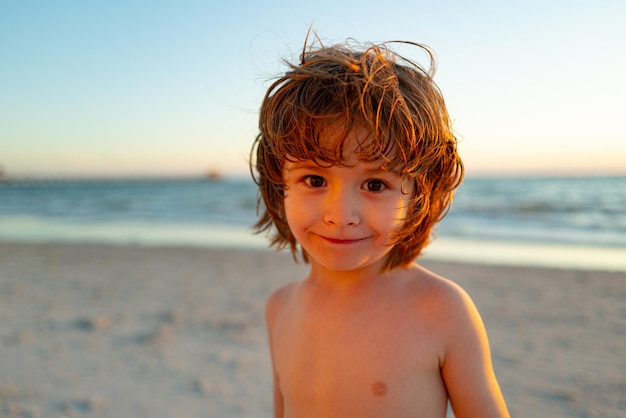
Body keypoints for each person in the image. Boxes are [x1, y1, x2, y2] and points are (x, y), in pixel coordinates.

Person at [250, 34, 509, 418]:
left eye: (375, 185)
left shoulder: (441, 310)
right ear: (279, 183)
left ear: (419, 197)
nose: (341, 214)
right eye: (314, 180)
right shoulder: (280, 308)